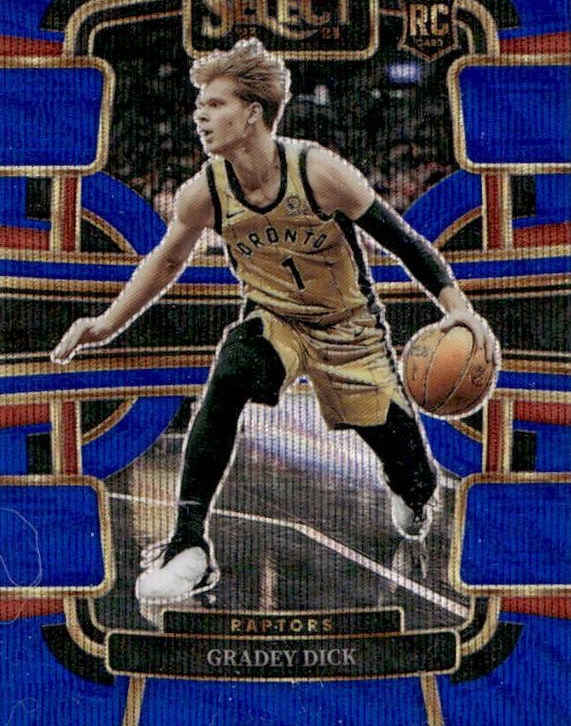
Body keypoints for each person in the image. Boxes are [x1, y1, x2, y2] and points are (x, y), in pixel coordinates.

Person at [52, 39, 495, 604]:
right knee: (230, 371)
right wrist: (105, 322)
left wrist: (457, 307)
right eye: (200, 105)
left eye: (215, 104)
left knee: (413, 471)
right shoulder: (205, 190)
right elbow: (165, 262)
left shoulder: (319, 171)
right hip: (275, 321)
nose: (200, 115)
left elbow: (404, 243)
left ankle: (410, 489)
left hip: (349, 331)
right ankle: (188, 546)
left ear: (252, 113)